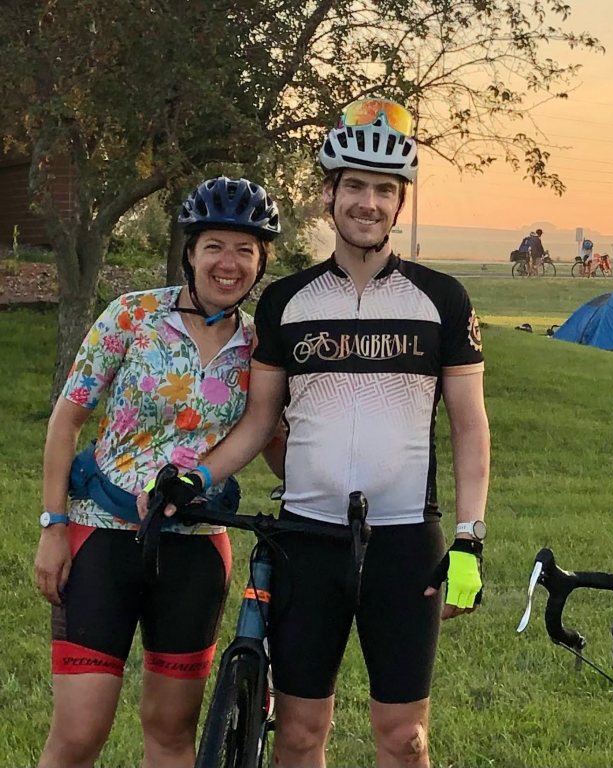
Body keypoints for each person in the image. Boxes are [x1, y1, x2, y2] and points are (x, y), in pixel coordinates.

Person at [140, 98, 490, 768]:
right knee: (298, 736)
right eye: (354, 186)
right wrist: (200, 475)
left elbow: (471, 426)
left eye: (384, 190)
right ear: (329, 193)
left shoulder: (441, 299)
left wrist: (471, 538)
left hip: (404, 543)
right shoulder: (287, 301)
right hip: (306, 539)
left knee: (405, 738)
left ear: (400, 201)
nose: (368, 203)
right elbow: (260, 421)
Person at [33, 176, 281, 768]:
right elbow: (65, 423)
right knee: (79, 733)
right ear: (190, 251)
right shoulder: (132, 317)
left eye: (245, 250)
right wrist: (52, 526)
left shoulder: (258, 345)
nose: (229, 263)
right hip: (103, 538)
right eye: (215, 246)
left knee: (171, 733)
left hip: (196, 548)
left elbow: (270, 436)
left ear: (261, 261)